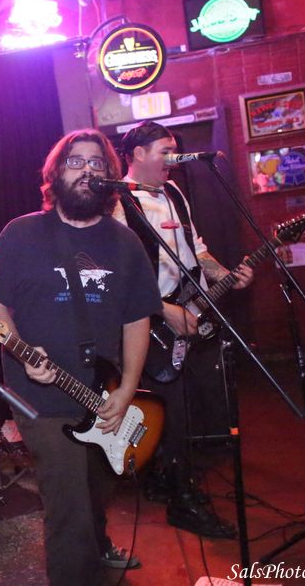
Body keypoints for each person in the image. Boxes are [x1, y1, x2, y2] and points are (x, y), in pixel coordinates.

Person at [0, 129, 162, 585]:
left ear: (109, 175)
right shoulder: (21, 234)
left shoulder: (125, 243)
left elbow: (137, 320)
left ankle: (97, 550)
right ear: (56, 173)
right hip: (38, 398)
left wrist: (126, 389)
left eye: (96, 163)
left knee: (95, 491)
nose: (86, 170)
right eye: (75, 161)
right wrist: (21, 351)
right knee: (69, 506)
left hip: (102, 393)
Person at [113, 120, 253, 539]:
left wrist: (223, 273)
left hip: (194, 312)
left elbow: (197, 249)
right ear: (138, 154)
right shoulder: (119, 203)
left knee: (192, 403)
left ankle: (167, 477)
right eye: (165, 151)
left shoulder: (173, 192)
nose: (172, 160)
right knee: (171, 408)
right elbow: (117, 277)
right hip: (153, 321)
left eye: (174, 151)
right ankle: (183, 500)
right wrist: (163, 308)